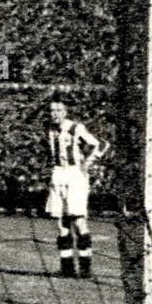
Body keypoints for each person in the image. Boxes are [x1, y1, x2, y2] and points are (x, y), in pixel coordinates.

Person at [44, 96, 105, 278]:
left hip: (74, 176)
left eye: (58, 110)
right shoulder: (49, 129)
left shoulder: (75, 128)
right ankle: (67, 268)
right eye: (52, 111)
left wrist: (87, 163)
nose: (55, 114)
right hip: (57, 175)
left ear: (65, 112)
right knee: (62, 223)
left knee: (78, 221)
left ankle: (85, 268)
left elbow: (100, 144)